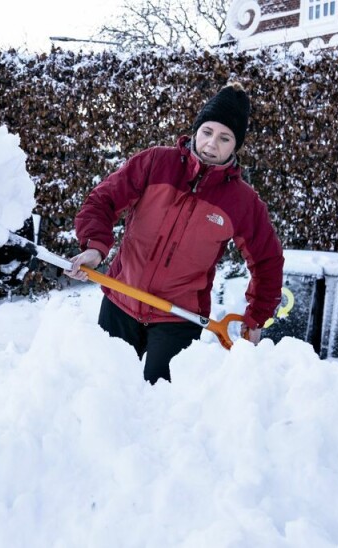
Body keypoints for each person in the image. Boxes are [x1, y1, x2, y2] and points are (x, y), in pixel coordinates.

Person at [67, 82, 284, 384]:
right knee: (103, 393)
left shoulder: (243, 202)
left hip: (179, 320)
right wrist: (94, 247)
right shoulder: (155, 163)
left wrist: (256, 317)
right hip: (120, 303)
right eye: (207, 132)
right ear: (196, 130)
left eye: (224, 138)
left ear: (235, 146)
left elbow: (267, 260)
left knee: (164, 412)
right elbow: (102, 200)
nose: (211, 143)